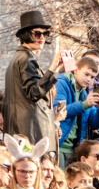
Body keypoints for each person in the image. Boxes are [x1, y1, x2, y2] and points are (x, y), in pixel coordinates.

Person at [3, 11, 63, 142]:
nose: (42, 37)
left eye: (45, 34)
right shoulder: (26, 58)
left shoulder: (19, 58)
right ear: (26, 35)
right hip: (31, 130)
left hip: (23, 129)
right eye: (37, 33)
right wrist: (52, 68)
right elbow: (34, 92)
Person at [53, 55, 99, 167]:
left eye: (92, 77)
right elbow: (59, 111)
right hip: (60, 145)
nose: (89, 79)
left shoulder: (84, 94)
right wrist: (85, 104)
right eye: (86, 74)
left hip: (76, 149)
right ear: (76, 70)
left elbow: (96, 123)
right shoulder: (61, 83)